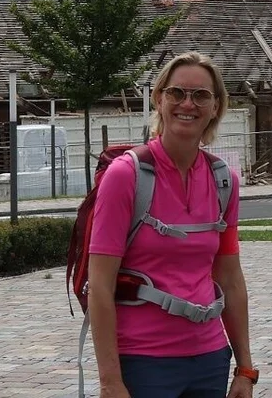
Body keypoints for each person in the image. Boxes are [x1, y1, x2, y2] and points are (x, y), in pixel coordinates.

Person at [86, 51, 257, 398]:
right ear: (159, 98)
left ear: (215, 107)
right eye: (177, 92)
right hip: (143, 361)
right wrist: (110, 381)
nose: (187, 104)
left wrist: (245, 368)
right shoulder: (126, 176)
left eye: (201, 95)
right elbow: (99, 285)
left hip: (210, 358)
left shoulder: (224, 181)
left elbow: (230, 280)